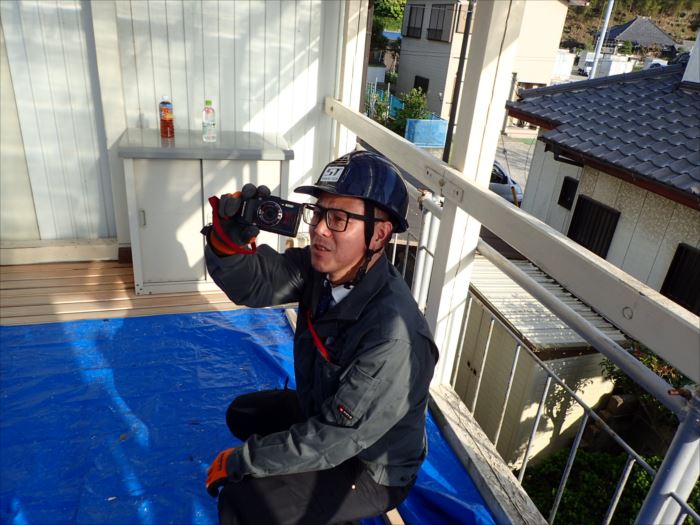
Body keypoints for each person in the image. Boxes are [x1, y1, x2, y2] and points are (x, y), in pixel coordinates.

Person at [202, 150, 439, 525]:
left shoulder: (394, 336)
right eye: (318, 213)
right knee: (243, 415)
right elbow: (257, 283)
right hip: (329, 412)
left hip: (371, 466)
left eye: (339, 219)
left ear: (379, 234)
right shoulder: (323, 270)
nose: (319, 229)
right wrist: (226, 243)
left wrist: (244, 460)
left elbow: (335, 437)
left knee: (243, 502)